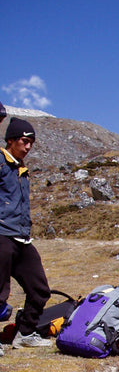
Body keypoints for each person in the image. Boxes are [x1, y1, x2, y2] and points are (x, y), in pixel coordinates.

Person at [0, 118, 52, 351]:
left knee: (39, 288)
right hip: (1, 235)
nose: (28, 147)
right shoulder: (1, 163)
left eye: (31, 142)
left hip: (21, 237)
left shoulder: (22, 169)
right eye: (24, 141)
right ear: (10, 140)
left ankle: (25, 333)